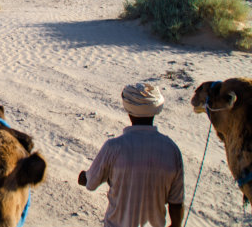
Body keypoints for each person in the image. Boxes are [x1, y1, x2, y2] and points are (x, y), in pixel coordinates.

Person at [78, 83, 184, 227]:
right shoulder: (171, 150)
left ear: (128, 109)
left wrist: (84, 177)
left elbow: (91, 183)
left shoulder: (113, 147)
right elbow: (176, 202)